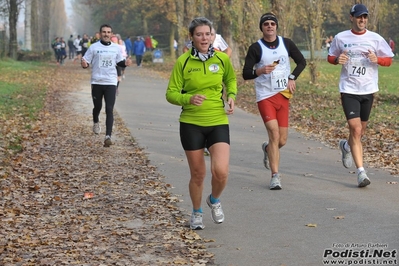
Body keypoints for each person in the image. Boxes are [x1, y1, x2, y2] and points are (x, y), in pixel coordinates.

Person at [166, 17, 237, 230]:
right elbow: (170, 94)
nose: (204, 38)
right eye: (199, 34)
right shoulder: (184, 62)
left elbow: (231, 79)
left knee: (221, 172)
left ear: (212, 36)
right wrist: (188, 99)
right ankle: (197, 212)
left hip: (217, 120)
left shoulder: (222, 59)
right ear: (192, 37)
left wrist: (231, 95)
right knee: (198, 174)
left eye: (208, 34)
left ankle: (214, 200)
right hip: (191, 123)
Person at [327, 4, 394, 187]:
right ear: (352, 17)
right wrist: (336, 60)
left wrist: (377, 60)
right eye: (359, 17)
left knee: (360, 131)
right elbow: (331, 56)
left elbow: (389, 60)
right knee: (355, 129)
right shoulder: (341, 38)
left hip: (368, 89)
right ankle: (361, 173)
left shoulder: (375, 38)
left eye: (364, 17)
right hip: (349, 89)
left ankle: (346, 146)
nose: (362, 20)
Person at [242, 12, 306, 190]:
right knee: (274, 133)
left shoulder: (286, 43)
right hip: (265, 96)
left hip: (283, 95)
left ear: (276, 26)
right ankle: (275, 176)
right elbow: (246, 73)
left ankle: (268, 149)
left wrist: (292, 77)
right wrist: (260, 71)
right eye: (266, 24)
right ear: (261, 28)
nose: (269, 26)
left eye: (272, 23)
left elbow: (301, 62)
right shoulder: (256, 48)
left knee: (282, 140)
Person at [81, 24, 132, 147]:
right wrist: (84, 64)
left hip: (110, 82)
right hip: (97, 82)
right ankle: (96, 121)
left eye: (108, 32)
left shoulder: (116, 48)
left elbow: (120, 62)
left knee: (109, 109)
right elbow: (85, 61)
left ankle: (108, 136)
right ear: (100, 33)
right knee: (97, 107)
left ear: (111, 34)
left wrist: (126, 63)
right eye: (104, 32)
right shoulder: (93, 47)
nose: (106, 34)